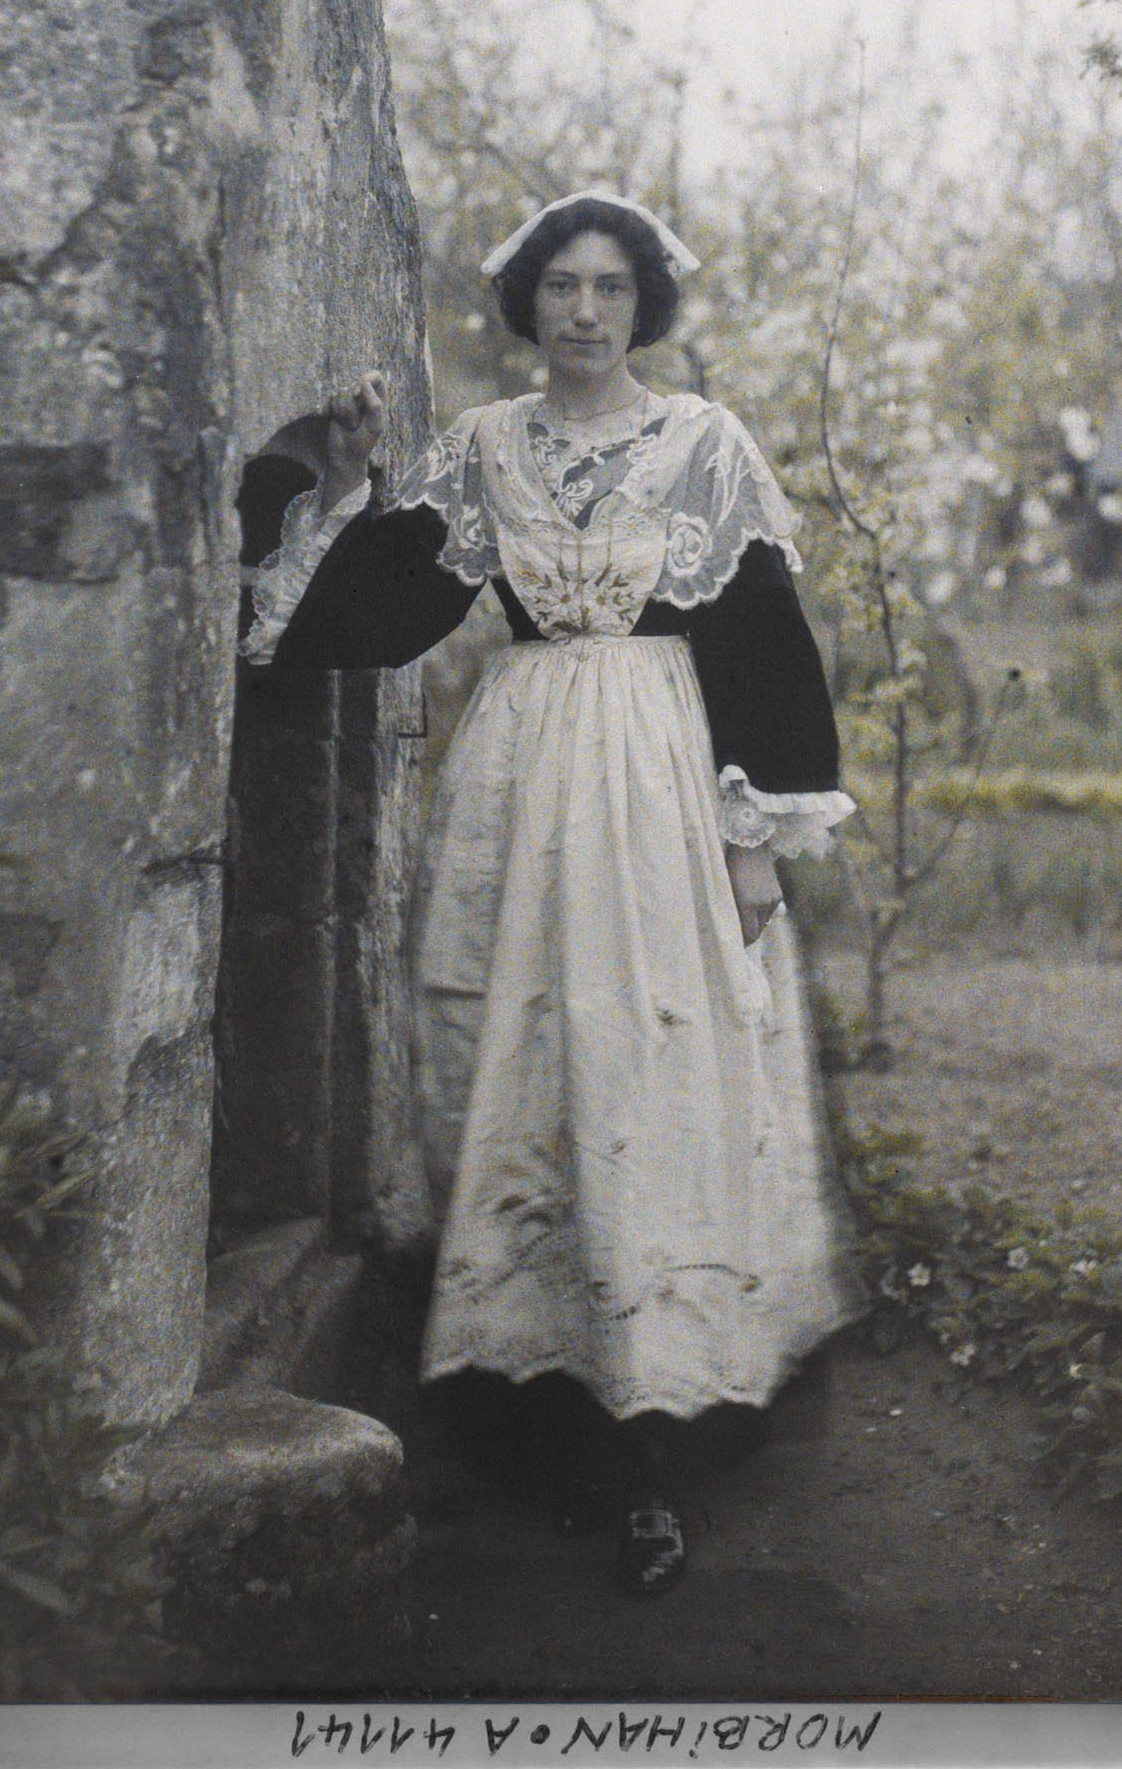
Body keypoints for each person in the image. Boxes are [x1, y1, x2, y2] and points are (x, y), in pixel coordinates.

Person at [239, 191, 862, 1594]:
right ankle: (536, 1431)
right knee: (522, 1070)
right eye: (560, 288)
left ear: (643, 307)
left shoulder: (703, 443)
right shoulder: (482, 451)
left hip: (660, 782)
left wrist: (752, 833)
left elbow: (764, 641)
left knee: (648, 1075)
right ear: (527, 304)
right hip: (515, 794)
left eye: (609, 290)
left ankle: (658, 1451)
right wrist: (335, 492)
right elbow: (384, 615)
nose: (583, 313)